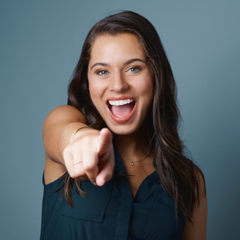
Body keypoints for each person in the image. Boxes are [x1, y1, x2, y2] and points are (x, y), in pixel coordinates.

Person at [40, 11, 207, 240]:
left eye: (133, 68)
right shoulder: (65, 120)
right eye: (102, 71)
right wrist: (79, 138)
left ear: (156, 75)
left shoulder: (189, 180)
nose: (118, 85)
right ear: (88, 82)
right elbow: (61, 132)